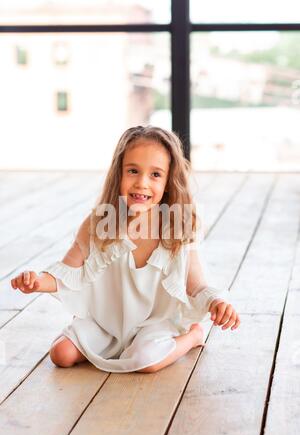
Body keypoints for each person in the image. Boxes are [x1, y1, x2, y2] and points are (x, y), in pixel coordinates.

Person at [10, 125, 240, 374]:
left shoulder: (177, 226)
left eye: (155, 175)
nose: (141, 183)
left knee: (147, 361)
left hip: (153, 325)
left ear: (168, 182)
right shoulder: (98, 223)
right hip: (107, 323)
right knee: (61, 354)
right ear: (118, 174)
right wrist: (36, 281)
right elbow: (67, 272)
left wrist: (216, 301)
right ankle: (114, 347)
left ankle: (192, 337)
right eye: (132, 171)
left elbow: (194, 285)